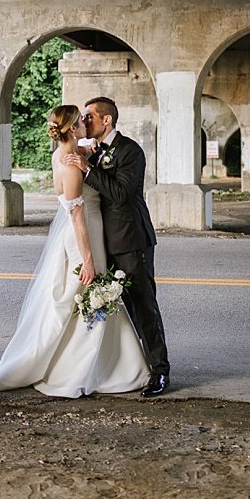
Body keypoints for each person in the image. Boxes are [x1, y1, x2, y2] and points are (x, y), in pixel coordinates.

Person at [0, 104, 150, 397]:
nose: (86, 123)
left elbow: (88, 152)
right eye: (81, 120)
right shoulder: (71, 165)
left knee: (85, 299)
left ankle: (109, 362)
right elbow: (77, 216)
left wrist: (90, 151)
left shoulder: (68, 154)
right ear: (72, 128)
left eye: (89, 117)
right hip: (82, 235)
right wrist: (87, 259)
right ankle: (83, 368)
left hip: (92, 231)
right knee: (86, 295)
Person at [63, 96, 171, 397]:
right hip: (104, 243)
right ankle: (129, 368)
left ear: (106, 120)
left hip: (130, 240)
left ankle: (160, 372)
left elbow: (122, 194)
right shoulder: (93, 150)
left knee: (143, 306)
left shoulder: (130, 150)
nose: (84, 122)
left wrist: (87, 169)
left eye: (89, 116)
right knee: (117, 312)